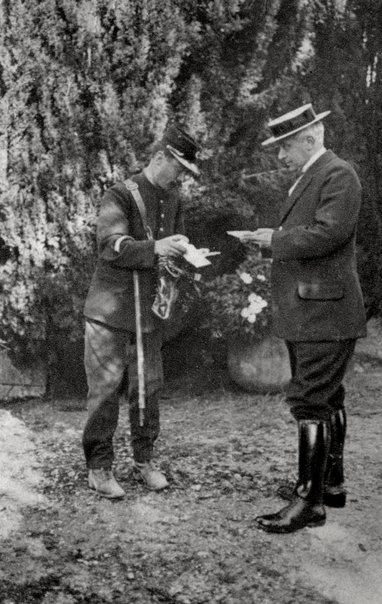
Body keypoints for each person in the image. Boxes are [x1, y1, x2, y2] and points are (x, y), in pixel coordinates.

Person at [242, 103, 367, 533]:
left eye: (285, 146)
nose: (280, 157)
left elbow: (328, 234)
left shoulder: (338, 174)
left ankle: (308, 502)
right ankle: (329, 484)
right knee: (328, 397)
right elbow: (312, 235)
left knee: (310, 400)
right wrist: (267, 242)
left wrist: (274, 240)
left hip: (323, 312)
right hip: (315, 309)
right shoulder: (319, 174)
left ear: (310, 138)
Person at [82, 126, 201, 498]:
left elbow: (174, 245)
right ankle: (99, 468)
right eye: (177, 167)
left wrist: (184, 254)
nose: (180, 176)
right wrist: (156, 248)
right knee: (104, 391)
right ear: (159, 157)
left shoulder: (174, 197)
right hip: (111, 312)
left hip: (149, 309)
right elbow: (111, 245)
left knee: (148, 387)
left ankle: (144, 459)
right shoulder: (120, 194)